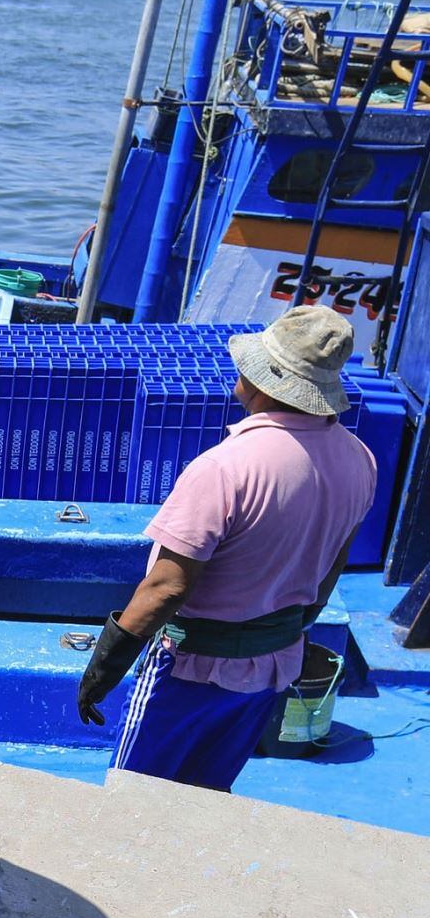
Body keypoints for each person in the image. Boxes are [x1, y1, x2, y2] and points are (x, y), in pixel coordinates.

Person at [76, 307, 376, 791]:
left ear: (262, 382)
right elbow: (332, 565)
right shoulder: (360, 459)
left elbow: (166, 588)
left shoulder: (224, 467)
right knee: (209, 794)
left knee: (132, 793)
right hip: (273, 664)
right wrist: (290, 629)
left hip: (192, 669)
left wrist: (103, 670)